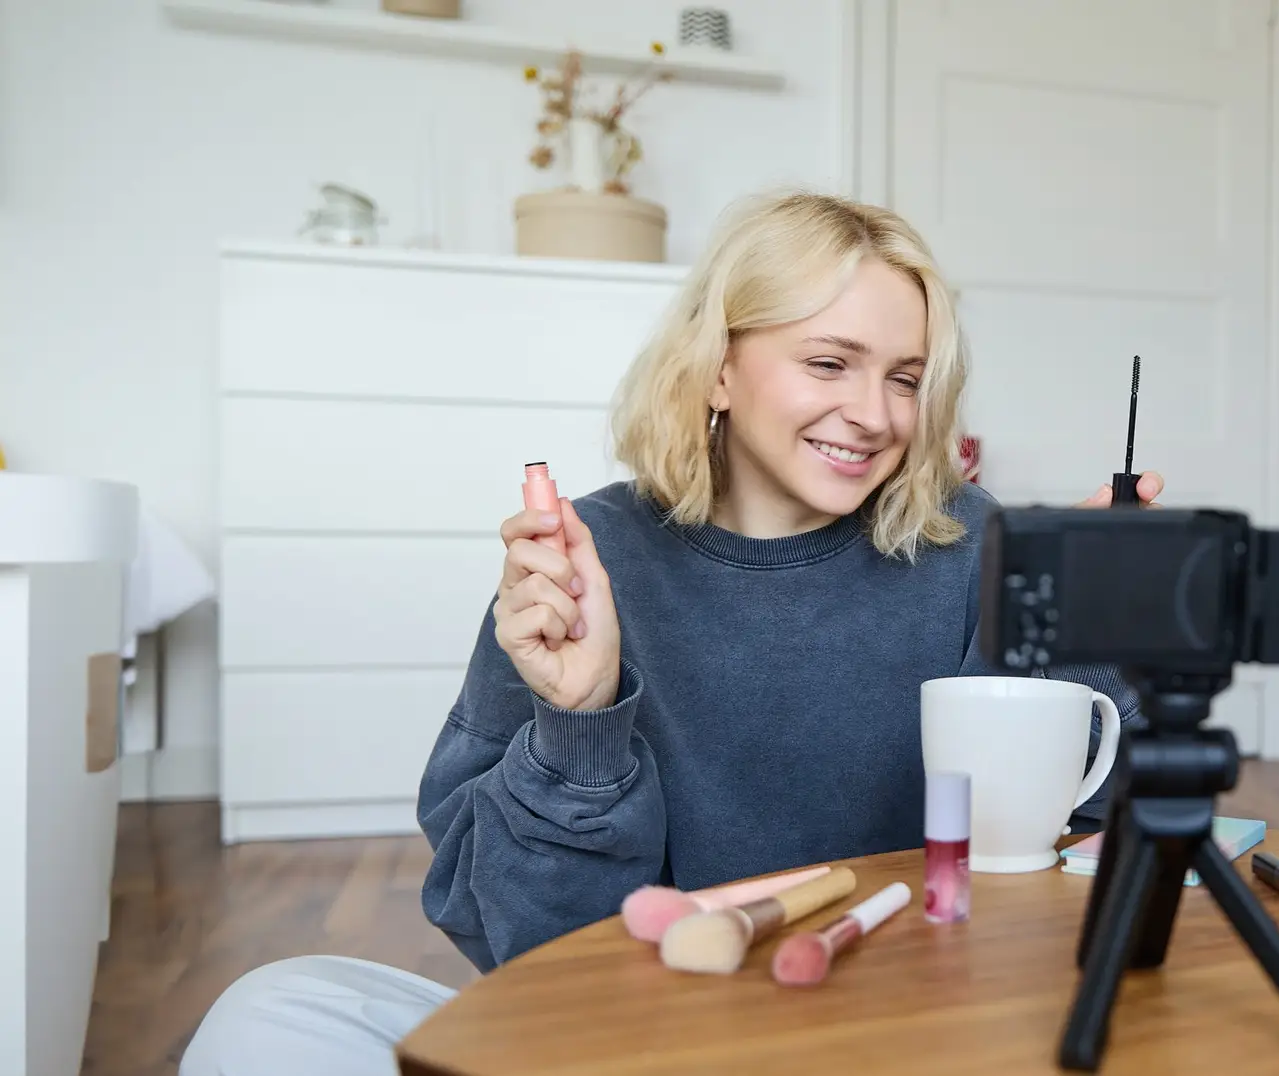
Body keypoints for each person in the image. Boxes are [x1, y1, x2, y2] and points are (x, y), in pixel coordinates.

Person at [178, 189, 1167, 1075]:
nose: (873, 414)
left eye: (905, 379)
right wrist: (579, 724)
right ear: (719, 369)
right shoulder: (583, 561)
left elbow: (1084, 852)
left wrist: (1088, 628)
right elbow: (525, 942)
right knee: (269, 1019)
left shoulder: (969, 542)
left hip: (900, 1027)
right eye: (829, 362)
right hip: (638, 1032)